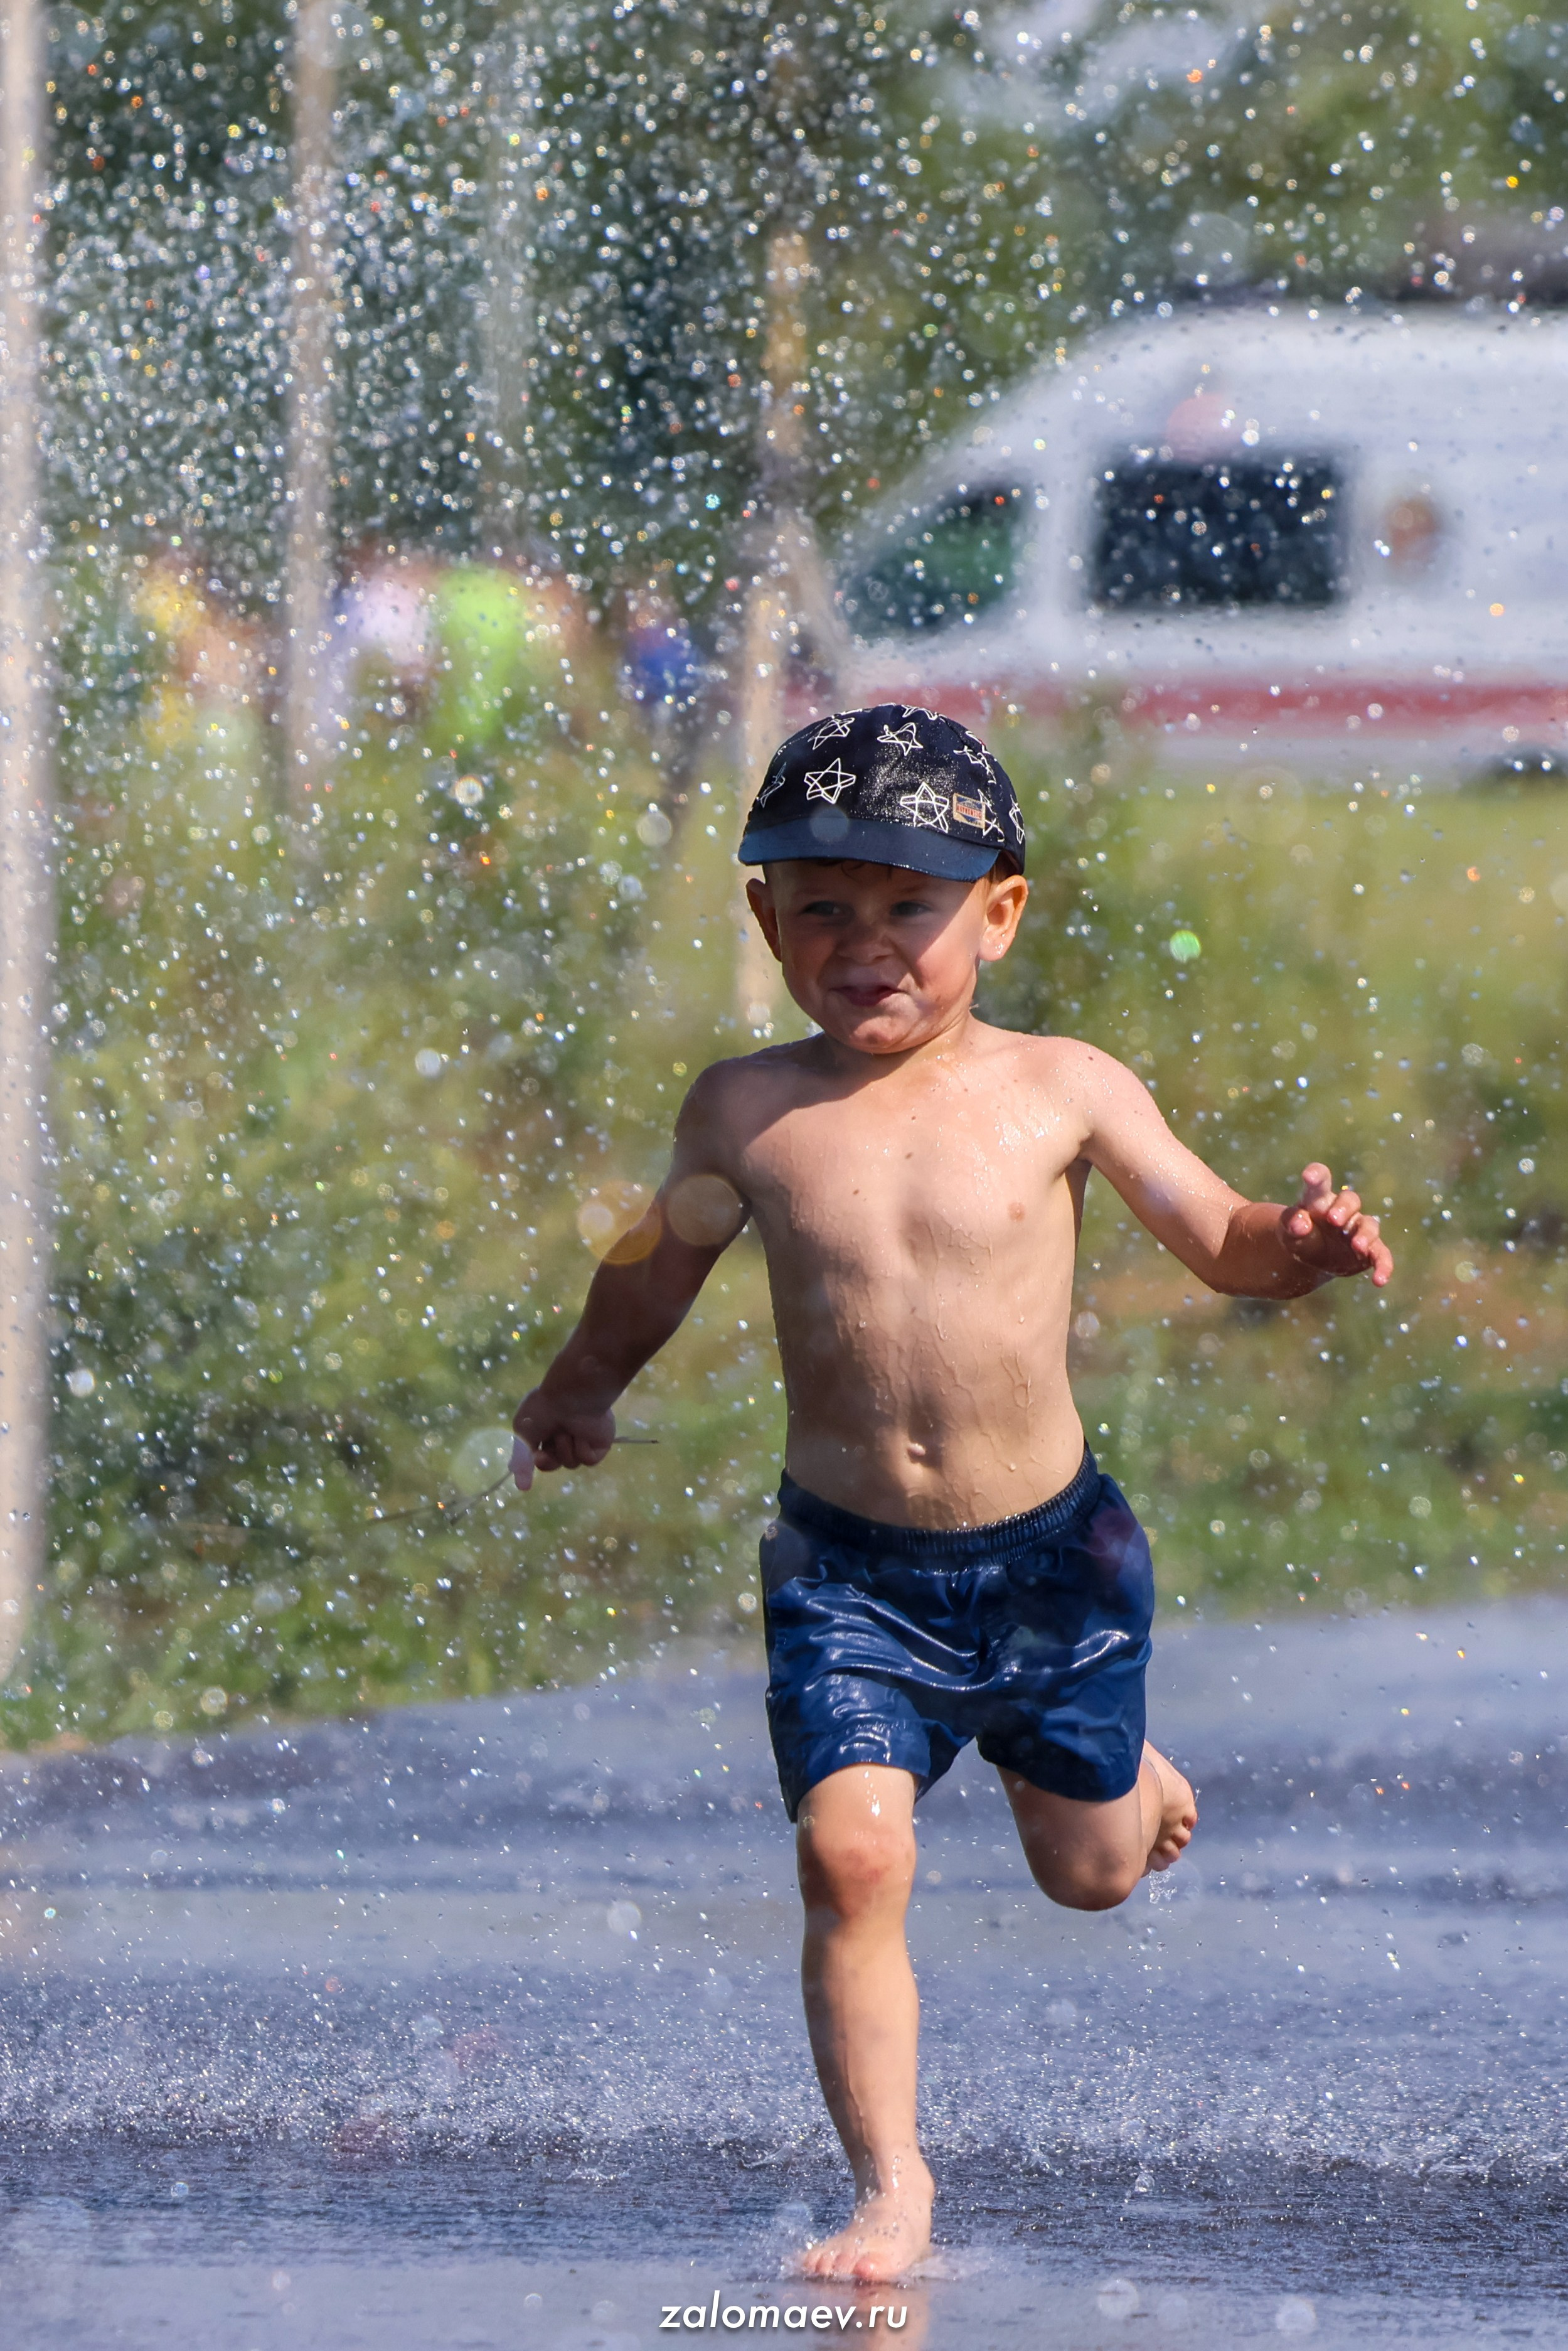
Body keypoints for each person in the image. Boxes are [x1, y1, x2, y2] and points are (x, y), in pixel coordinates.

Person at [510, 705, 1394, 2283]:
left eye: (907, 908)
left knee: (1090, 1875)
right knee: (850, 1854)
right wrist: (581, 1386)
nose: (866, 946)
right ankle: (889, 2187)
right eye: (822, 909)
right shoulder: (745, 1111)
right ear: (762, 917)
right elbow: (654, 1266)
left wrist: (1300, 1247)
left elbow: (1218, 1236)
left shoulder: (1062, 1086)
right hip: (845, 1574)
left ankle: (1120, 1768)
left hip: (1051, 1562)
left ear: (995, 911)